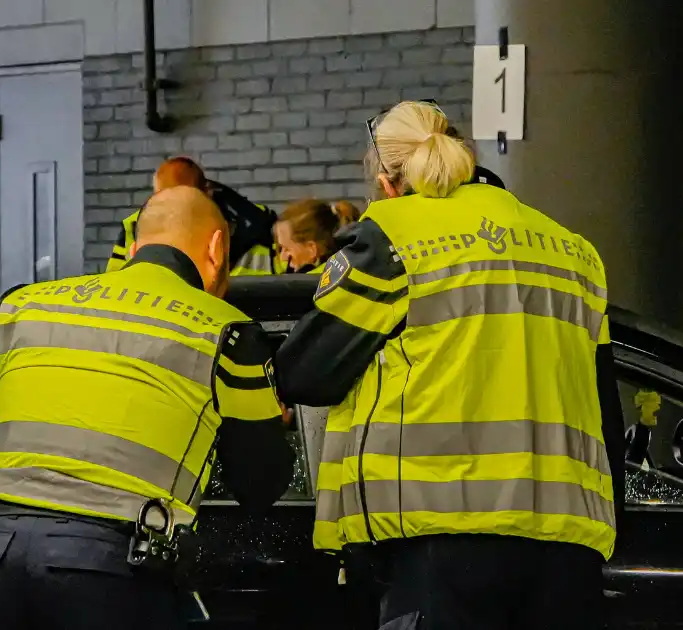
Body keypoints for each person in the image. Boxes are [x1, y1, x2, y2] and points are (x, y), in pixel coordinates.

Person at [274, 101, 625, 630]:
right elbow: (605, 411)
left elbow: (306, 373)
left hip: (440, 546)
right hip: (568, 551)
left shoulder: (394, 237)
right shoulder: (573, 251)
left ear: (389, 184)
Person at [0, 186, 294, 630]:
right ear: (217, 247)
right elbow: (260, 483)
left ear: (134, 245)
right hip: (111, 571)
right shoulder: (227, 332)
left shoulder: (26, 301)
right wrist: (272, 419)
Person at [106, 157, 284, 276]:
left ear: (207, 192)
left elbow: (295, 278)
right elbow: (115, 283)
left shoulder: (259, 221)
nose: (175, 211)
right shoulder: (134, 225)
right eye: (165, 200)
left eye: (184, 200)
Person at [272, 199, 362, 274]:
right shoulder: (344, 273)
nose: (282, 257)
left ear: (311, 249)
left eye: (287, 249)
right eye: (281, 249)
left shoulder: (313, 289)